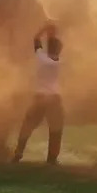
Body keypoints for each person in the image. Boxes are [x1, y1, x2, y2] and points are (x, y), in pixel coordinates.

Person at [12, 23, 64, 165]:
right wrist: (53, 33)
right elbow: (57, 46)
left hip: (40, 97)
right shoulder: (59, 62)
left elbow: (36, 39)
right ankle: (52, 159)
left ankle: (18, 153)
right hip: (54, 98)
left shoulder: (41, 57)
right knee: (56, 129)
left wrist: (45, 29)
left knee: (27, 125)